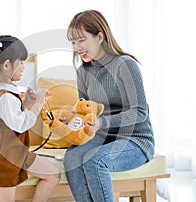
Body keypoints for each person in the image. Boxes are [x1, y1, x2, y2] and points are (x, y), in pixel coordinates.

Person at [63, 10, 155, 202]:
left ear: (99, 37)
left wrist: (101, 122)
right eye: (73, 42)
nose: (77, 47)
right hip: (102, 136)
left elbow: (140, 112)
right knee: (72, 158)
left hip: (134, 138)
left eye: (81, 40)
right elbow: (86, 111)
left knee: (95, 162)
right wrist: (71, 120)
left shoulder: (126, 65)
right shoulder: (83, 72)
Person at [0, 35, 60, 202]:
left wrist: (25, 103)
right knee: (53, 175)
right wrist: (37, 105)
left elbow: (10, 117)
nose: (24, 67)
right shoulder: (5, 96)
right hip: (4, 159)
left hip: (13, 153)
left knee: (53, 174)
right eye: (21, 62)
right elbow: (20, 124)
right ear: (7, 65)